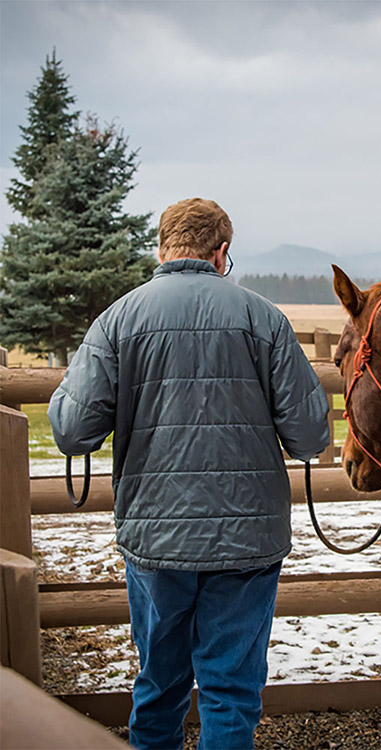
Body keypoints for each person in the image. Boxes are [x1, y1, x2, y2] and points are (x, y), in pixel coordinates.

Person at [48, 198, 330, 750]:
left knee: (159, 681)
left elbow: (72, 430)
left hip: (156, 537)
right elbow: (310, 436)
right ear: (222, 251)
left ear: (162, 247)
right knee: (230, 688)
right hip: (247, 541)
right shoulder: (264, 318)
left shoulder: (119, 319)